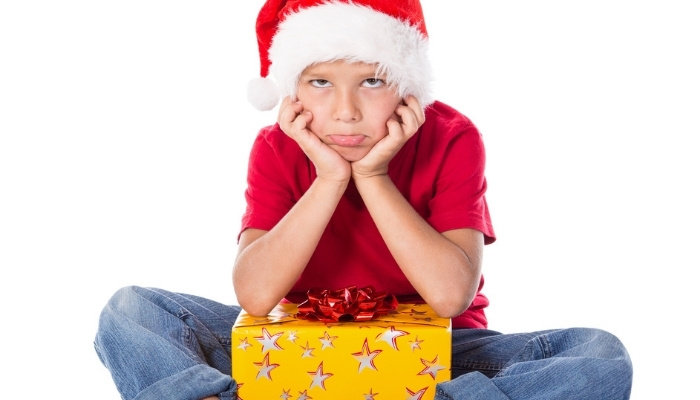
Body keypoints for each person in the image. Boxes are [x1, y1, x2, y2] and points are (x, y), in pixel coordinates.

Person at [94, 0, 633, 399]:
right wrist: (329, 178)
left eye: (372, 81)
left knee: (600, 356)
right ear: (292, 92)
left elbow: (449, 297)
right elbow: (255, 296)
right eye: (321, 82)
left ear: (406, 87)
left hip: (438, 353)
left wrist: (373, 176)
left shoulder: (453, 137)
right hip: (297, 345)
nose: (346, 112)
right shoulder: (277, 147)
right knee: (131, 311)